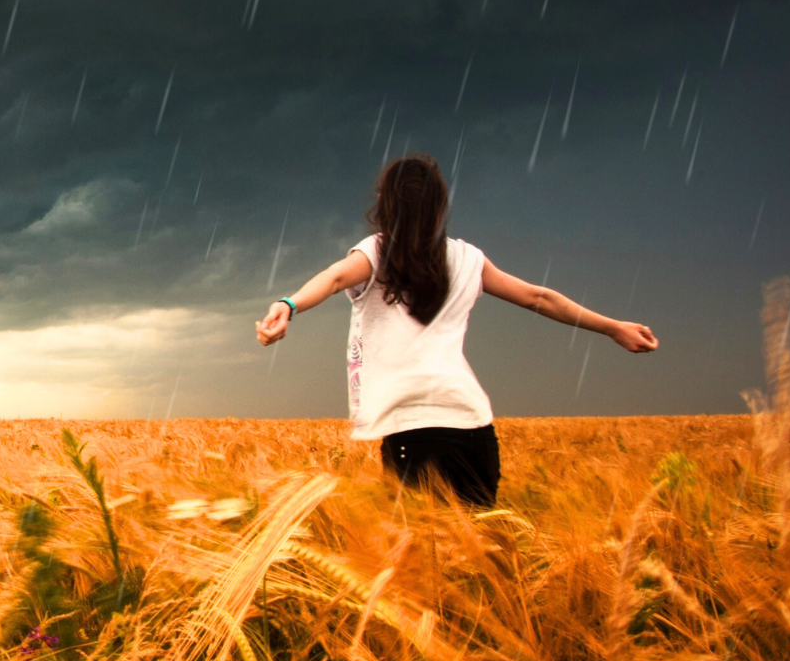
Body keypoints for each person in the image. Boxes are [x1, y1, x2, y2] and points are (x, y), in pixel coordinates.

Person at [254, 154, 658, 507]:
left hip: (412, 428)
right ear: (437, 208)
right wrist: (612, 327)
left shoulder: (377, 251)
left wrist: (288, 305)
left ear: (387, 204)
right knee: (473, 568)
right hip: (474, 430)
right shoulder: (467, 258)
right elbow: (539, 298)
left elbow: (335, 277)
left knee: (416, 575)